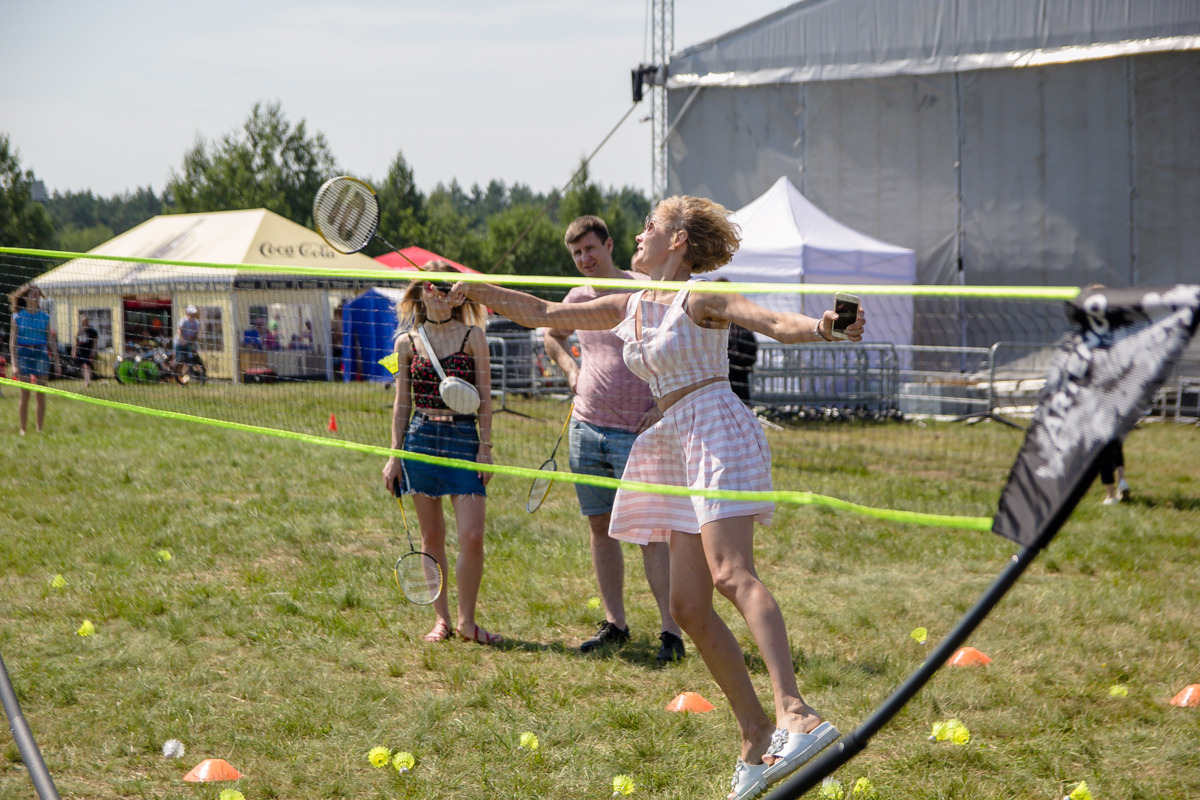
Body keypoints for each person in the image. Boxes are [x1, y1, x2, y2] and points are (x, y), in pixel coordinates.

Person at [451, 195, 866, 800]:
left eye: (650, 227)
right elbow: (543, 311)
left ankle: (795, 712)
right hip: (672, 441)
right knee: (688, 607)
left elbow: (773, 321)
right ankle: (754, 736)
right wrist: (467, 284)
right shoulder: (631, 305)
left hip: (715, 429)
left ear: (677, 242)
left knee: (732, 574)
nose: (638, 236)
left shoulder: (702, 296)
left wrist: (826, 326)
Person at [545, 215, 684, 662]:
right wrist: (571, 370)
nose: (584, 259)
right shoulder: (577, 297)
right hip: (586, 426)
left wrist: (660, 408)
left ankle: (671, 633)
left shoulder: (644, 288)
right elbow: (552, 335)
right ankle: (615, 623)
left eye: (590, 249)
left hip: (638, 432)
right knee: (599, 527)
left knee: (651, 534)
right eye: (576, 254)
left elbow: (676, 350)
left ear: (608, 245)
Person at [381, 262, 501, 646]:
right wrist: (394, 456)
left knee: (473, 535)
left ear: (458, 293)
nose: (439, 292)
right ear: (420, 292)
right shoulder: (407, 342)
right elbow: (402, 405)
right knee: (431, 535)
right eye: (432, 286)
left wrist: (486, 448)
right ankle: (442, 621)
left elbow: (485, 399)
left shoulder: (474, 337)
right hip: (421, 439)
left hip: (464, 440)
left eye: (446, 286)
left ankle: (468, 621)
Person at [9, 284, 59, 435]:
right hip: (23, 352)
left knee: (40, 393)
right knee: (24, 394)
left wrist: (56, 362)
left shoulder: (45, 317)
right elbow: (12, 342)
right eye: (33, 294)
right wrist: (14, 364)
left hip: (41, 353)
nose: (36, 297)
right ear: (26, 297)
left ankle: (39, 429)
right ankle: (23, 429)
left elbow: (51, 341)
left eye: (38, 294)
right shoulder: (17, 317)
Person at [714, 278, 758, 405]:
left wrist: (737, 366)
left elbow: (751, 348)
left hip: (737, 383)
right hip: (715, 386)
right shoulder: (705, 322)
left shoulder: (740, 321)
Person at [71, 311, 99, 388]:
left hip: (88, 352)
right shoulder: (79, 331)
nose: (83, 323)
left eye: (85, 321)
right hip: (80, 352)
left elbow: (95, 342)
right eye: (82, 321)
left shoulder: (92, 332)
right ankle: (85, 379)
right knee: (82, 366)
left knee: (87, 366)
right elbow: (76, 342)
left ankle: (88, 381)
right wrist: (74, 351)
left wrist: (93, 351)